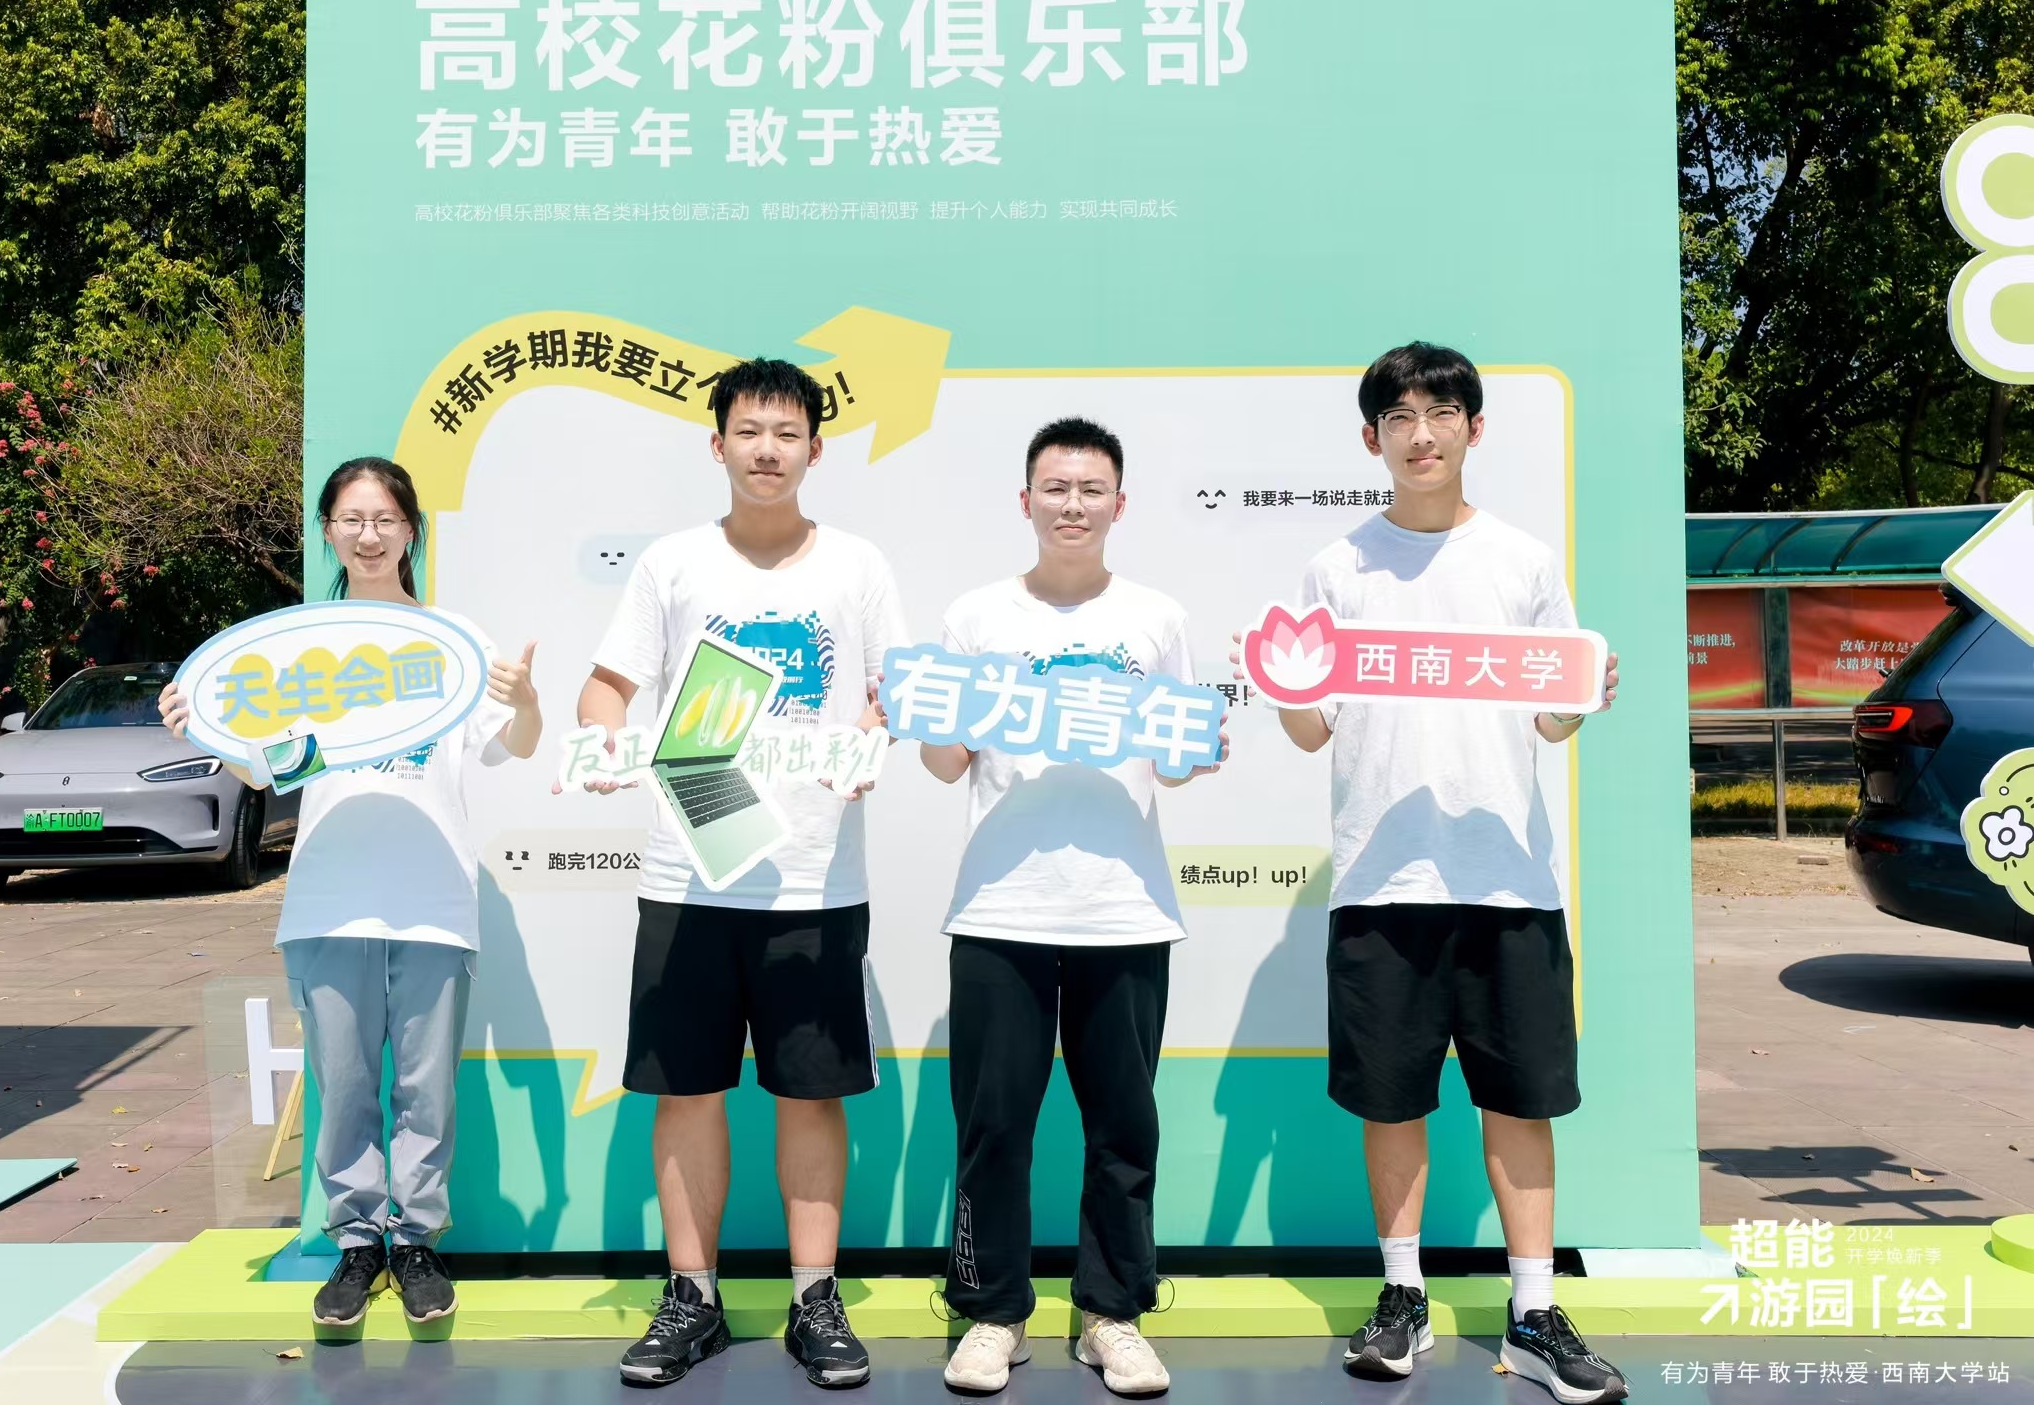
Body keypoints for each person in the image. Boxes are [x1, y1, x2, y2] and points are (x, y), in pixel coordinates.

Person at [1272, 344, 1625, 1402]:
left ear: (1474, 428)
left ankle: (1533, 1313)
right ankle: (1403, 1296)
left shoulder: (1522, 562)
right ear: (1370, 437)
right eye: (1398, 416)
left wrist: (1583, 696)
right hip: (1381, 883)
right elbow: (1310, 730)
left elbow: (1551, 721)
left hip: (1508, 879)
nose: (1418, 434)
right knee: (1392, 1099)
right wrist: (1284, 686)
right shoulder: (1337, 569)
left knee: (1521, 1098)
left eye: (1438, 413)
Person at [579, 358, 906, 1389]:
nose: (768, 449)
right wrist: (605, 742)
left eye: (787, 432)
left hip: (813, 879)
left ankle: (815, 1297)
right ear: (716, 443)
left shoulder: (856, 566)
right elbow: (607, 687)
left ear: (816, 448)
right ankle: (694, 1297)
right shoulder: (673, 565)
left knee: (810, 1094)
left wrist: (871, 737)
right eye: (750, 431)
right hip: (691, 872)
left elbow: (895, 692)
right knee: (686, 1092)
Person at [159, 456, 542, 1327]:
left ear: (411, 530)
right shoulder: (297, 651)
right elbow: (267, 769)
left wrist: (524, 701)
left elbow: (514, 744)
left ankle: (417, 1243)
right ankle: (358, 1244)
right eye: (352, 519)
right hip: (329, 896)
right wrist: (203, 730)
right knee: (343, 1083)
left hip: (433, 899)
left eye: (386, 519)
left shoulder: (452, 643)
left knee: (426, 1089)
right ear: (329, 531)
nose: (370, 535)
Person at [922, 418, 1224, 1399]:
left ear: (1118, 505)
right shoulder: (976, 617)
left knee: (1123, 1127)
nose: (1072, 505)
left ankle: (1112, 1315)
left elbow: (1174, 764)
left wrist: (1199, 747)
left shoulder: (1155, 618)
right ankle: (991, 1315)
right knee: (994, 1126)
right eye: (1055, 488)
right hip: (1000, 908)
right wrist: (933, 715)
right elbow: (943, 762)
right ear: (1025, 501)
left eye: (1091, 489)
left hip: (1123, 911)